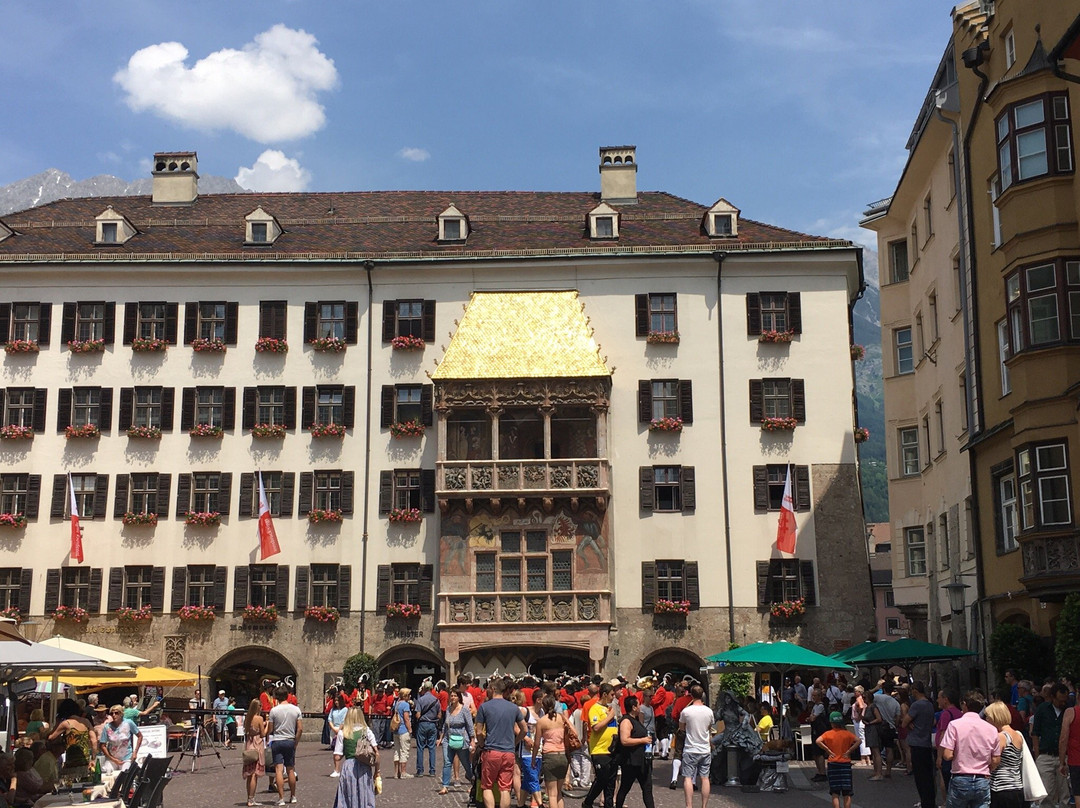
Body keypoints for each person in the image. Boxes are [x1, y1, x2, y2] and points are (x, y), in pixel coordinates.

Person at [939, 691, 1000, 808]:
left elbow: (947, 755)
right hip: (982, 778)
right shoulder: (992, 729)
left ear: (964, 704)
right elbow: (996, 760)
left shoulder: (954, 725)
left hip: (961, 777)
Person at [475, 677, 527, 808]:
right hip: (508, 752)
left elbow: (479, 731)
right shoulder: (513, 708)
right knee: (505, 788)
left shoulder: (484, 707)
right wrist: (515, 742)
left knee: (487, 786)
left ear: (493, 689)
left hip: (491, 750)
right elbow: (524, 729)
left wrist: (481, 745)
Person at [1032, 682, 1069, 808]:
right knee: (1046, 792)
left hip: (1063, 756)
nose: (1062, 703)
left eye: (1065, 701)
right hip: (1045, 755)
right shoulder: (1042, 709)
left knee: (1065, 792)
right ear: (1053, 697)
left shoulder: (1068, 711)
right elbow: (1035, 733)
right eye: (1060, 701)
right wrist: (1037, 755)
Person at [582, 683, 619, 808]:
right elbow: (596, 727)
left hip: (612, 750)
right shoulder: (595, 708)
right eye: (612, 695)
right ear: (604, 694)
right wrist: (609, 717)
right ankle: (588, 802)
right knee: (602, 779)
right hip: (599, 750)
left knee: (611, 782)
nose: (613, 697)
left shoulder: (608, 709)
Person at [334, 706, 379, 808]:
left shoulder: (342, 733)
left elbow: (337, 756)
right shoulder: (366, 731)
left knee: (348, 794)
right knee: (365, 792)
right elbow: (376, 752)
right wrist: (377, 771)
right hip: (364, 765)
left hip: (349, 766)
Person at [613, 695, 654, 808]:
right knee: (625, 788)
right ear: (633, 707)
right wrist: (642, 740)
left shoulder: (636, 719)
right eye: (638, 704)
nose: (640, 706)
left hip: (642, 761)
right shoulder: (626, 721)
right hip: (631, 761)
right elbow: (625, 740)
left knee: (647, 788)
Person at [678, 684, 714, 808]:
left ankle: (689, 806)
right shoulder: (709, 711)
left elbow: (681, 728)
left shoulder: (686, 711)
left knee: (688, 777)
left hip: (690, 748)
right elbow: (709, 727)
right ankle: (704, 806)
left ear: (691, 695)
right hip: (704, 748)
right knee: (705, 778)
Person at [267, 685, 304, 806]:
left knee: (278, 770)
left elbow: (271, 729)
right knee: (290, 769)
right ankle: (293, 796)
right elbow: (300, 729)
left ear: (276, 697)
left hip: (277, 740)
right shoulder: (296, 709)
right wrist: (296, 742)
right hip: (290, 740)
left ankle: (281, 798)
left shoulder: (274, 711)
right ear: (287, 695)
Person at [983, 701, 1024, 808]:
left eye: (988, 717)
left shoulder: (1001, 736)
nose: (986, 720)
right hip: (1016, 785)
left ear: (996, 717)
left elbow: (995, 760)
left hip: (1000, 787)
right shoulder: (1017, 735)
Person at [816, 712, 859, 808]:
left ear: (831, 723)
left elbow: (818, 741)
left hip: (833, 764)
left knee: (835, 792)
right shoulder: (847, 734)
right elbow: (858, 741)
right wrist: (849, 751)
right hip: (845, 764)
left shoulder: (828, 734)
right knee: (847, 792)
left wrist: (828, 750)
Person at [530, 695, 567, 808]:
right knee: (558, 793)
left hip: (549, 756)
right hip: (562, 754)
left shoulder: (542, 721)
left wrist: (533, 759)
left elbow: (537, 744)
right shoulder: (561, 718)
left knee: (552, 794)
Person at [904, 681, 936, 808]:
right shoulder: (929, 704)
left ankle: (925, 802)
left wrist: (911, 724)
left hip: (917, 743)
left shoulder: (916, 705)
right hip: (926, 742)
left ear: (915, 690)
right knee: (928, 775)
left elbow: (904, 722)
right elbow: (933, 721)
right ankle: (929, 801)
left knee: (920, 776)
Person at [47, 698, 98, 776]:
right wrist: (93, 758)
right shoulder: (86, 722)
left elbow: (51, 738)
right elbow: (94, 740)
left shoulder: (66, 723)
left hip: (71, 762)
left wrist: (57, 723)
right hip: (85, 761)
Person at [439, 687, 475, 795]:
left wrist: (472, 740)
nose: (453, 698)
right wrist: (440, 738)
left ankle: (474, 783)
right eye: (451, 696)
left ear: (459, 697)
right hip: (448, 739)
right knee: (447, 762)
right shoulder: (448, 709)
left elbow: (470, 726)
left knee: (466, 764)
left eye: (455, 696)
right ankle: (445, 786)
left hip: (462, 740)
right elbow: (445, 726)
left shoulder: (464, 710)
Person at [99, 704, 142, 773]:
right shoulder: (107, 727)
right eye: (111, 713)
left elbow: (140, 736)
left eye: (116, 713)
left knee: (125, 773)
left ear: (121, 714)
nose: (114, 715)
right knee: (107, 771)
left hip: (126, 757)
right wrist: (112, 758)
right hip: (113, 759)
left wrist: (135, 752)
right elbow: (102, 745)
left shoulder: (128, 723)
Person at [242, 699, 268, 807]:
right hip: (257, 745)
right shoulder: (259, 718)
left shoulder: (247, 718)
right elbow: (263, 734)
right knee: (254, 774)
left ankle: (249, 797)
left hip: (249, 745)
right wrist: (267, 725)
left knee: (249, 774)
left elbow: (248, 730)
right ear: (258, 707)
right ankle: (251, 799)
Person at [414, 681, 441, 778]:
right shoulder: (436, 700)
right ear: (432, 688)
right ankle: (432, 770)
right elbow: (439, 715)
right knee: (432, 748)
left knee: (420, 747)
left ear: (424, 689)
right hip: (433, 724)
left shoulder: (420, 700)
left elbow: (417, 715)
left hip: (423, 724)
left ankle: (420, 770)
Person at [1060, 693, 1080, 807]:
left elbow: (1063, 738)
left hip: (1076, 760)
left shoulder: (1071, 712)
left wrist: (1062, 762)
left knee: (1078, 794)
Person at [392, 687, 413, 779]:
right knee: (404, 751)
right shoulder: (405, 705)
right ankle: (403, 772)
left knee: (396, 751)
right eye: (408, 695)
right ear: (405, 695)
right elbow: (406, 718)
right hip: (403, 729)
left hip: (396, 730)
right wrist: (410, 729)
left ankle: (397, 772)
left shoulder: (397, 703)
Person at [327, 693, 348, 778]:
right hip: (333, 729)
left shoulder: (345, 709)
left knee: (339, 750)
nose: (336, 702)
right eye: (335, 700)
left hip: (342, 730)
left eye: (337, 700)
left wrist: (338, 730)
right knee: (334, 750)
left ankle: (337, 769)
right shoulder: (333, 710)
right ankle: (337, 769)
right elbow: (329, 719)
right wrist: (333, 728)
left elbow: (344, 721)